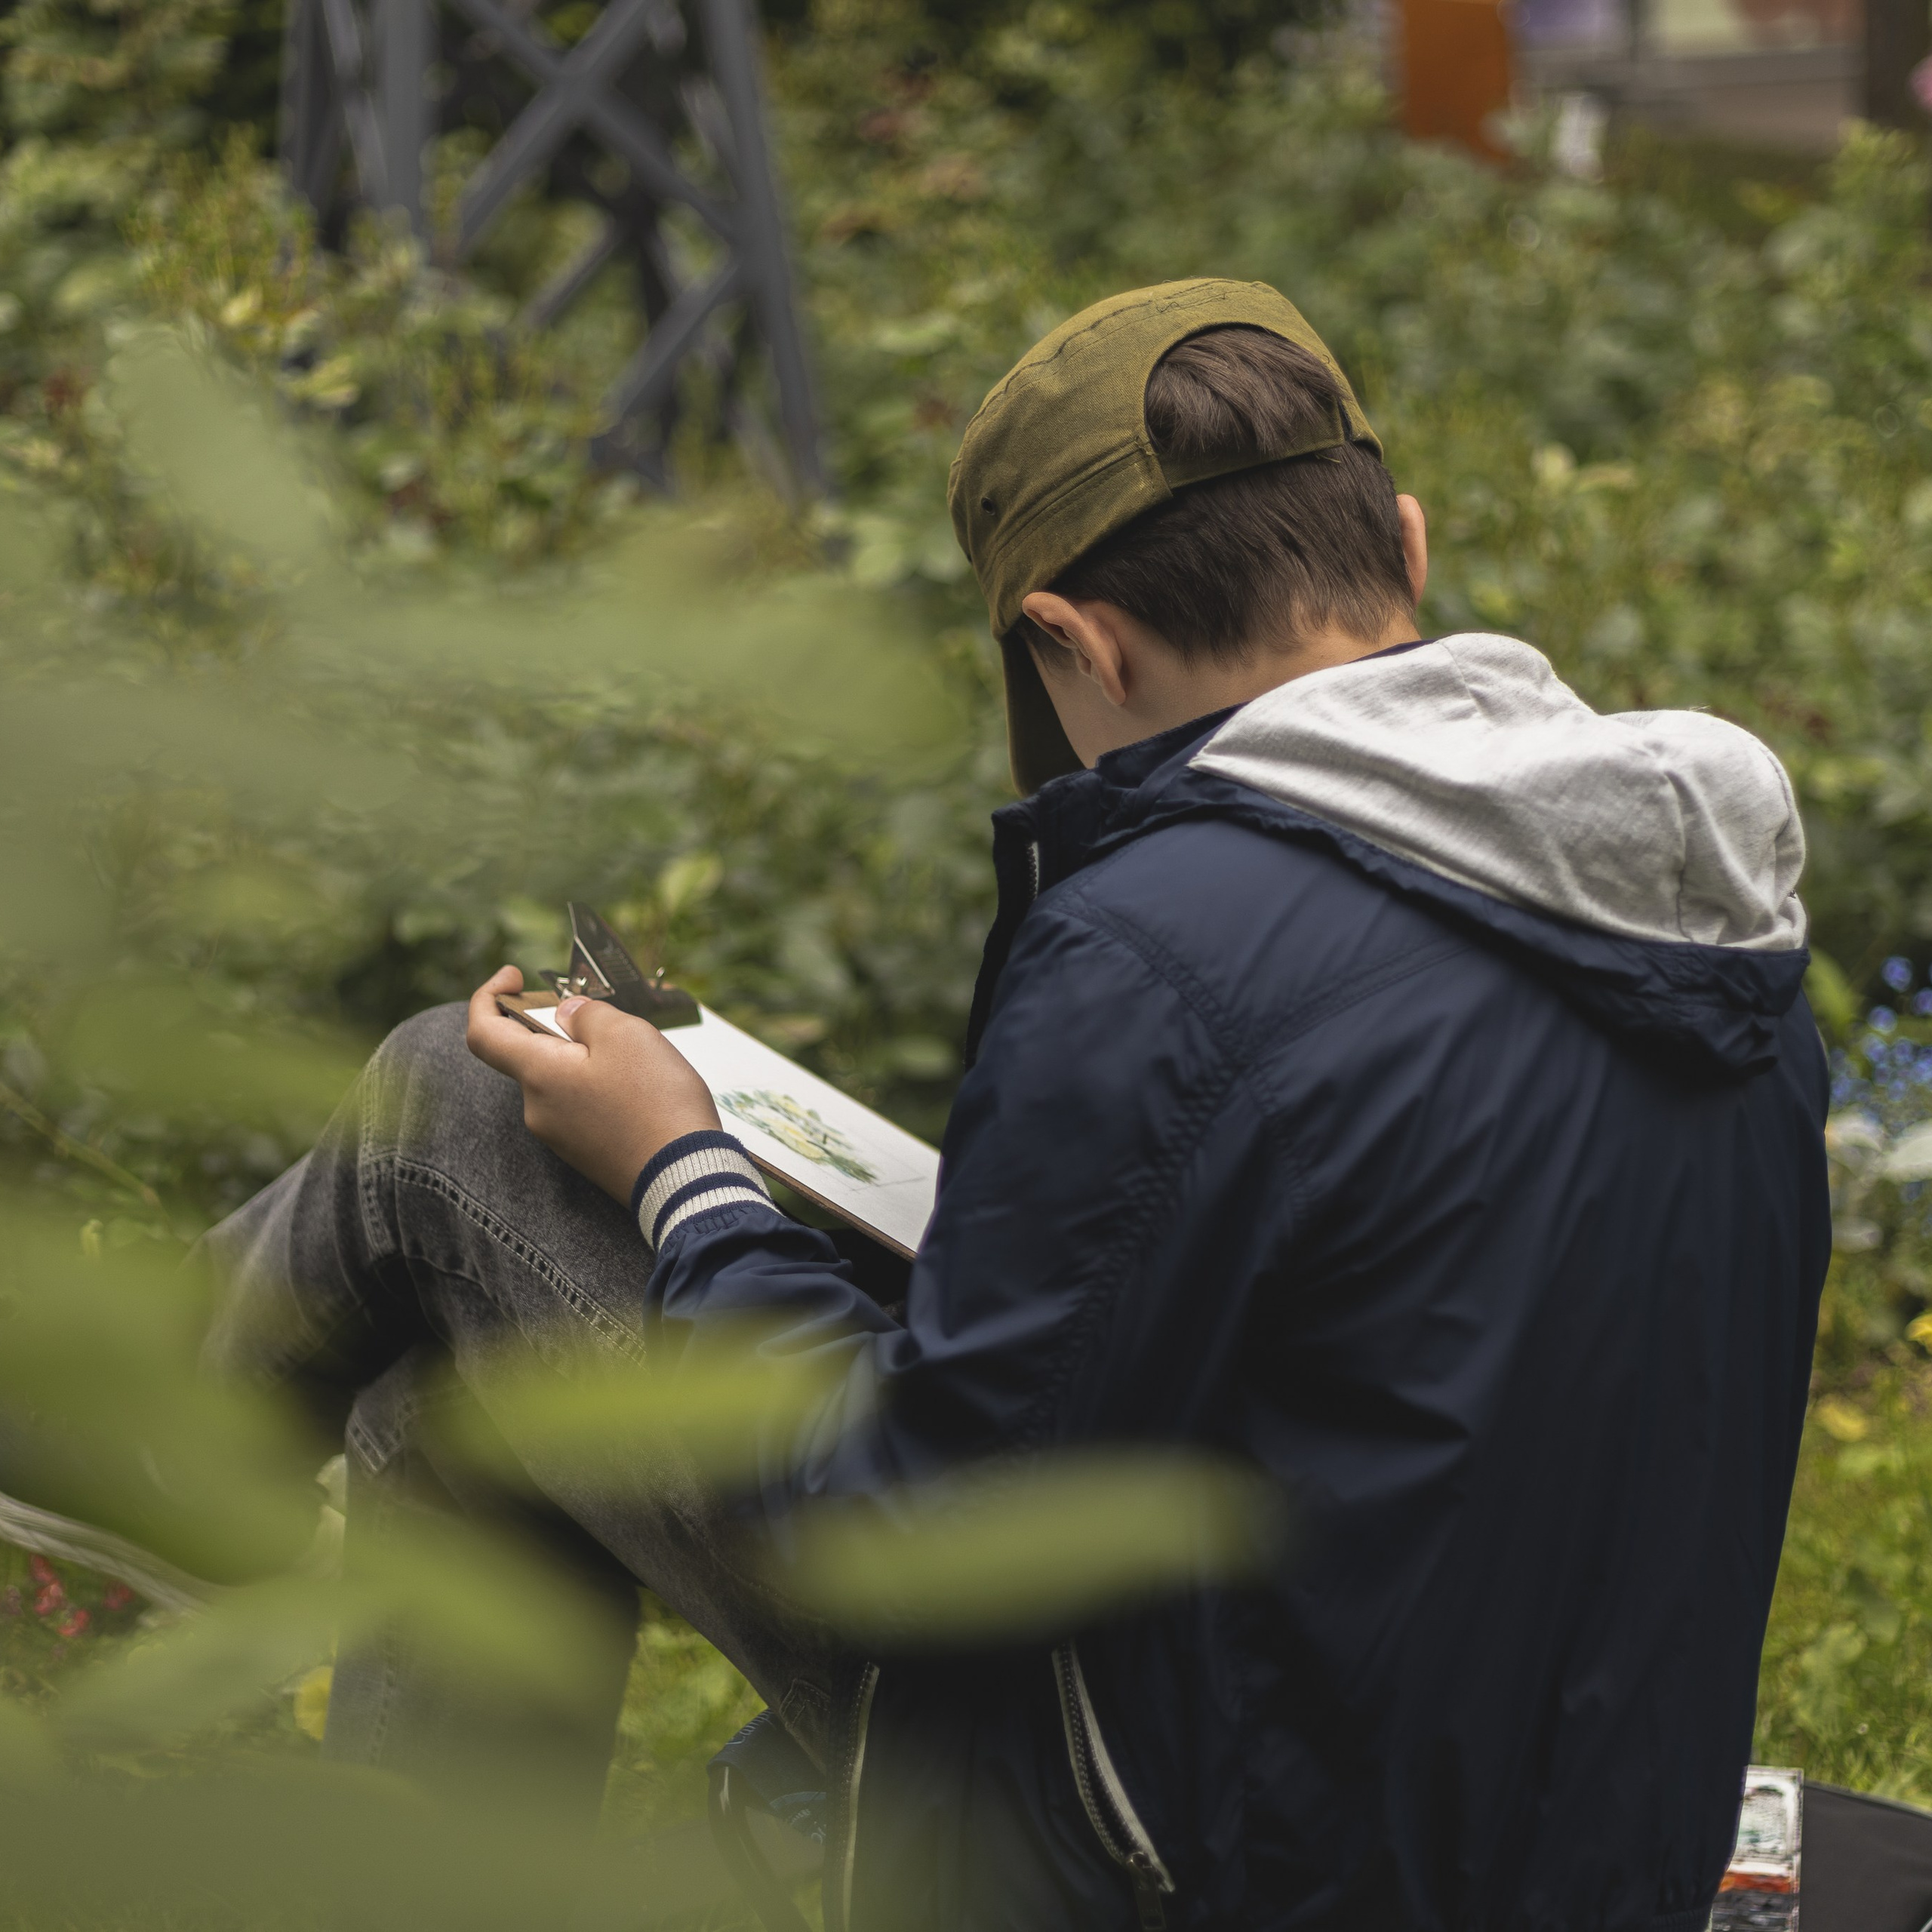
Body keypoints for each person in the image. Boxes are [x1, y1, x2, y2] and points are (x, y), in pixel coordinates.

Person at [202, 278, 1831, 1931]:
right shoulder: (1696, 919)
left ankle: (138, 1444)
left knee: (448, 1096)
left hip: (1189, 1859)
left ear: (1070, 639)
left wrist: (684, 1169)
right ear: (1400, 547)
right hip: (1552, 1847)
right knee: (450, 1398)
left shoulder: (1160, 941)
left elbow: (898, 1530)